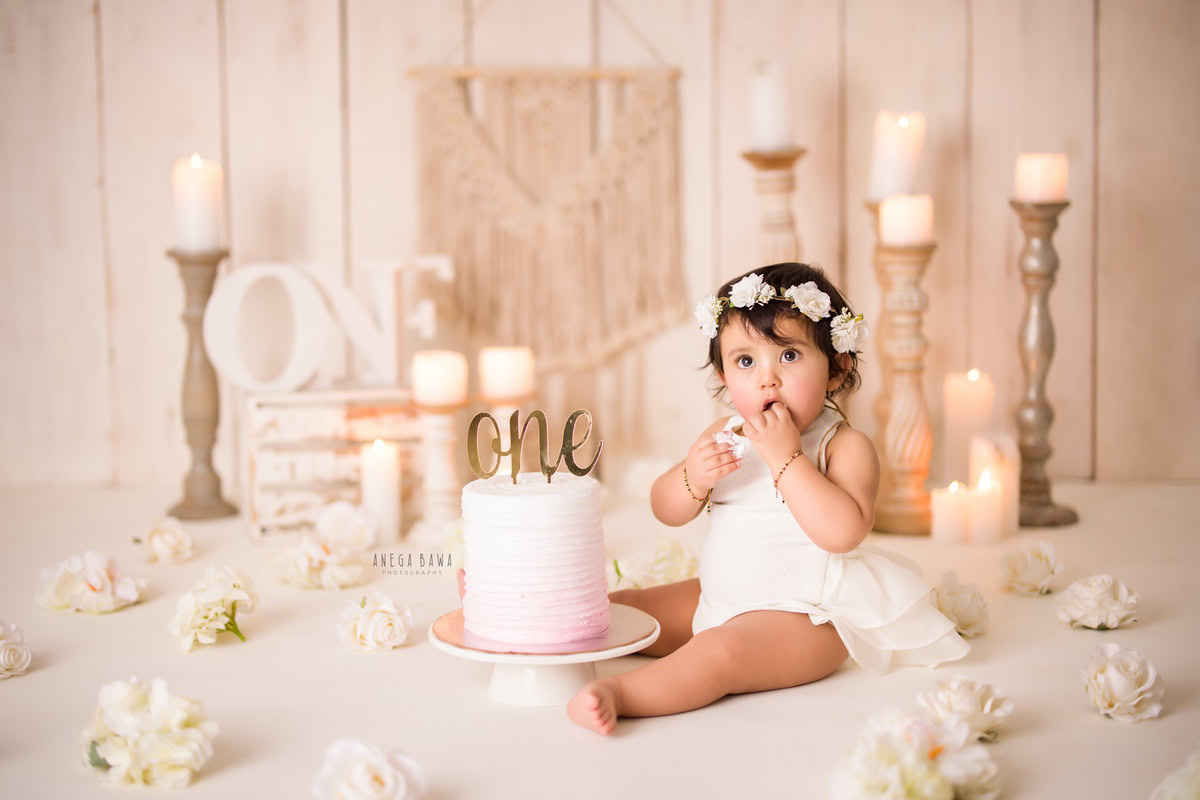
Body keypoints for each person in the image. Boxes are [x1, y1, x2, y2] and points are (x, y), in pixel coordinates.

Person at [559, 262, 970, 735]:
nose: (766, 379)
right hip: (719, 598)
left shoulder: (841, 445)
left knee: (719, 653)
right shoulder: (725, 434)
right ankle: (533, 625)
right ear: (724, 373)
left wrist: (787, 459)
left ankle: (620, 693)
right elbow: (664, 509)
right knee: (629, 606)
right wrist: (693, 476)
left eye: (789, 357)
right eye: (746, 361)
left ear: (837, 370)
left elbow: (843, 534)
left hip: (804, 618)